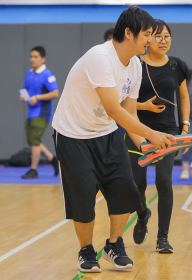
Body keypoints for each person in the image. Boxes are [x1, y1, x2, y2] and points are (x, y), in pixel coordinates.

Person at [52, 7, 175, 273]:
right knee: (84, 194)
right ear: (128, 33)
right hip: (73, 135)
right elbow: (114, 109)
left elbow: (129, 111)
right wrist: (153, 134)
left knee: (124, 189)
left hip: (106, 133)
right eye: (147, 35)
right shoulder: (100, 58)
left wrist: (145, 145)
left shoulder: (134, 65)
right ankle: (86, 251)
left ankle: (113, 245)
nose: (150, 41)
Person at [125, 19, 190, 254]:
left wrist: (184, 128)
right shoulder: (134, 64)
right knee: (136, 185)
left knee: (163, 181)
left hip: (168, 132)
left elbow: (183, 97)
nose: (163, 41)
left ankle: (163, 238)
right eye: (158, 36)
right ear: (148, 38)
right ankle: (142, 214)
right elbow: (125, 104)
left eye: (167, 36)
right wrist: (145, 107)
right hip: (136, 131)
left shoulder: (176, 65)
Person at [20, 46, 59, 179]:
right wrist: (23, 96)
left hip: (42, 112)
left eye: (36, 57)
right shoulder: (28, 73)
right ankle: (52, 159)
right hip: (31, 112)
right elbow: (25, 89)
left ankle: (33, 169)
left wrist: (37, 97)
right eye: (31, 56)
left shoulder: (47, 74)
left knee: (34, 141)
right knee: (33, 140)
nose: (32, 59)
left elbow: (55, 93)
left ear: (43, 59)